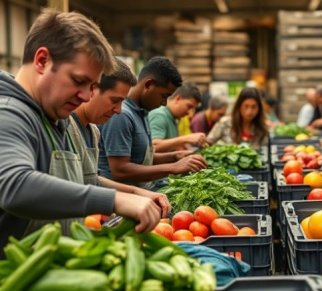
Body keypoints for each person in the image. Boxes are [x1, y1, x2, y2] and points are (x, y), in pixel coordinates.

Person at [0, 9, 163, 242]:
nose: (86, 96)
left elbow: (79, 180)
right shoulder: (8, 113)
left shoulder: (54, 118)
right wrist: (116, 200)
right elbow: (14, 186)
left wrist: (132, 194)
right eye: (79, 81)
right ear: (42, 61)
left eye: (92, 86)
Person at [67, 58, 171, 213]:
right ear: (91, 89)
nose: (119, 110)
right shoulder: (66, 128)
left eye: (122, 102)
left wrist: (137, 193)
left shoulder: (93, 131)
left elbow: (90, 180)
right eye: (114, 100)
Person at [98, 57, 207, 188]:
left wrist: (175, 156)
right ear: (149, 85)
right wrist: (173, 167)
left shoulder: (141, 113)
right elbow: (120, 170)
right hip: (123, 200)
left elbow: (141, 159)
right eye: (164, 95)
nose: (164, 103)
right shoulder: (121, 115)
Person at [148, 82, 206, 152]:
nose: (189, 113)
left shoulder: (173, 117)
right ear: (178, 98)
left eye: (193, 109)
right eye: (189, 106)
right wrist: (186, 138)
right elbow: (153, 146)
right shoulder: (159, 115)